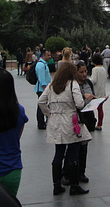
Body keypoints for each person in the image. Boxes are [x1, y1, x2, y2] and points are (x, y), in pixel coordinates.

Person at [38, 62, 91, 196]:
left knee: (58, 153)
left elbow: (41, 101)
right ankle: (74, 185)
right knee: (73, 153)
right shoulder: (72, 85)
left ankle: (57, 185)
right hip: (70, 120)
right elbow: (79, 104)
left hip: (55, 120)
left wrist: (49, 113)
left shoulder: (52, 86)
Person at [34, 49, 51, 130]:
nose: (50, 57)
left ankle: (42, 122)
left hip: (44, 88)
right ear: (43, 55)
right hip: (42, 89)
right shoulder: (41, 65)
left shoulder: (43, 64)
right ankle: (41, 123)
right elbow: (42, 78)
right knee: (41, 106)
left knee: (42, 105)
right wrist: (45, 89)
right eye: (48, 55)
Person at [90, 53, 107, 130]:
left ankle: (92, 122)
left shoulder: (95, 69)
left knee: (92, 108)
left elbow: (93, 80)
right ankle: (100, 124)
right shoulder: (103, 69)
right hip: (102, 92)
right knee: (100, 109)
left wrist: (88, 80)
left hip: (95, 92)